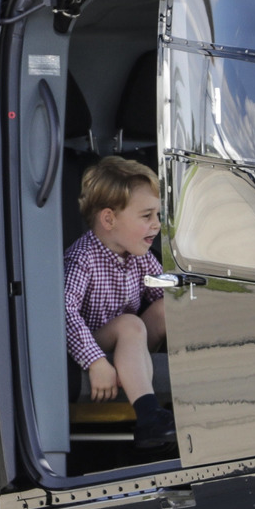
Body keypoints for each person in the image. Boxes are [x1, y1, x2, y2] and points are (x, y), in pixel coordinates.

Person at [64, 155, 175, 448]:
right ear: (109, 219)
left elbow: (163, 294)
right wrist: (96, 362)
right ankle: (149, 417)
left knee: (167, 309)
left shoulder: (138, 256)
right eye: (146, 216)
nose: (156, 225)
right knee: (129, 324)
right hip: (94, 346)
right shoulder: (82, 258)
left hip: (132, 344)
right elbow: (65, 313)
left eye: (158, 216)